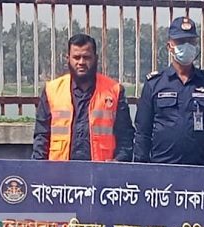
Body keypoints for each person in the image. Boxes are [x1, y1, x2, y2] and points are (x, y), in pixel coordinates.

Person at [134, 17, 204, 167]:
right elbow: (143, 131)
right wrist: (140, 167)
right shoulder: (155, 84)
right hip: (162, 168)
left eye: (190, 41)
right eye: (180, 42)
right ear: (170, 46)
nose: (186, 46)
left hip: (200, 168)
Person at [32, 34, 135, 162]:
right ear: (68, 59)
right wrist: (37, 169)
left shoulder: (114, 91)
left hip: (100, 173)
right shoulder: (52, 90)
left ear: (95, 58)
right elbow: (42, 136)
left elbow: (126, 137)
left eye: (86, 57)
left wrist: (117, 162)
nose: (81, 62)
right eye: (76, 57)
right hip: (58, 172)